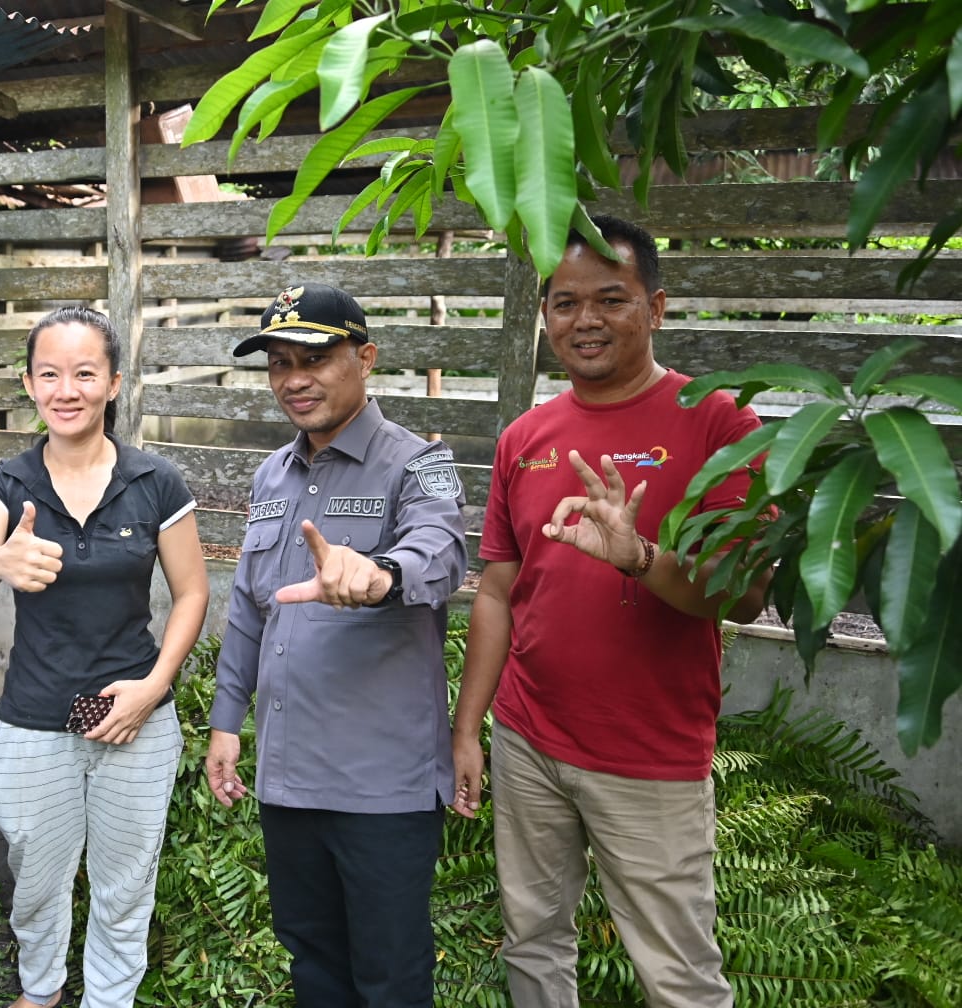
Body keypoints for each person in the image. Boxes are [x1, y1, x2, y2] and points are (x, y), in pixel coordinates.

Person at [451, 215, 771, 1008]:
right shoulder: (525, 436)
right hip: (528, 740)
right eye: (564, 303)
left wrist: (639, 558)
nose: (584, 320)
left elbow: (748, 594)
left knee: (678, 974)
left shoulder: (718, 422)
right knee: (532, 941)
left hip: (649, 751)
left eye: (610, 299)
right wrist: (469, 729)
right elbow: (497, 589)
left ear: (655, 308)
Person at [205, 283, 468, 1008]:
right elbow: (252, 607)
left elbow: (442, 554)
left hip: (381, 789)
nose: (294, 379)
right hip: (289, 781)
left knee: (390, 977)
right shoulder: (271, 474)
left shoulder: (420, 463)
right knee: (314, 966)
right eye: (279, 363)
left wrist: (381, 573)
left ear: (366, 358)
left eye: (315, 358)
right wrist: (226, 721)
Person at [0, 306, 209, 1008]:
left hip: (136, 719)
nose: (68, 389)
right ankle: (41, 991)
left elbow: (191, 594)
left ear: (114, 383)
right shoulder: (3, 486)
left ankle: (108, 1000)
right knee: (36, 877)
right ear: (29, 384)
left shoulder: (156, 483)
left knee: (126, 882)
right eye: (50, 374)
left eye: (85, 373)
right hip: (36, 721)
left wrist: (154, 689)